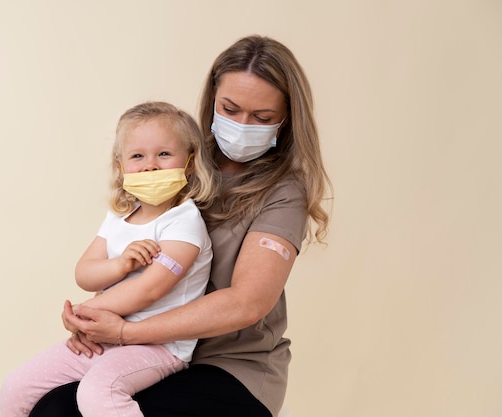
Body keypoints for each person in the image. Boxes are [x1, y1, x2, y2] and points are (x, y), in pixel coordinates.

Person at [29, 34, 332, 417]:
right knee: (51, 409)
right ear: (212, 102)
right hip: (142, 350)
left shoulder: (284, 193)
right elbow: (125, 251)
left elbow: (247, 302)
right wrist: (90, 317)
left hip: (228, 366)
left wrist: (123, 332)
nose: (242, 125)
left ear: (286, 120)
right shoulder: (174, 162)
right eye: (231, 108)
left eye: (262, 118)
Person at [0, 101, 215, 417]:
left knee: (98, 391)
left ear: (190, 162)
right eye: (137, 156)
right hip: (103, 335)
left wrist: (82, 316)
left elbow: (149, 290)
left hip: (159, 346)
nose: (150, 165)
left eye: (164, 154)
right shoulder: (119, 217)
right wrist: (121, 265)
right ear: (121, 165)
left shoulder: (184, 222)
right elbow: (85, 274)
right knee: (16, 388)